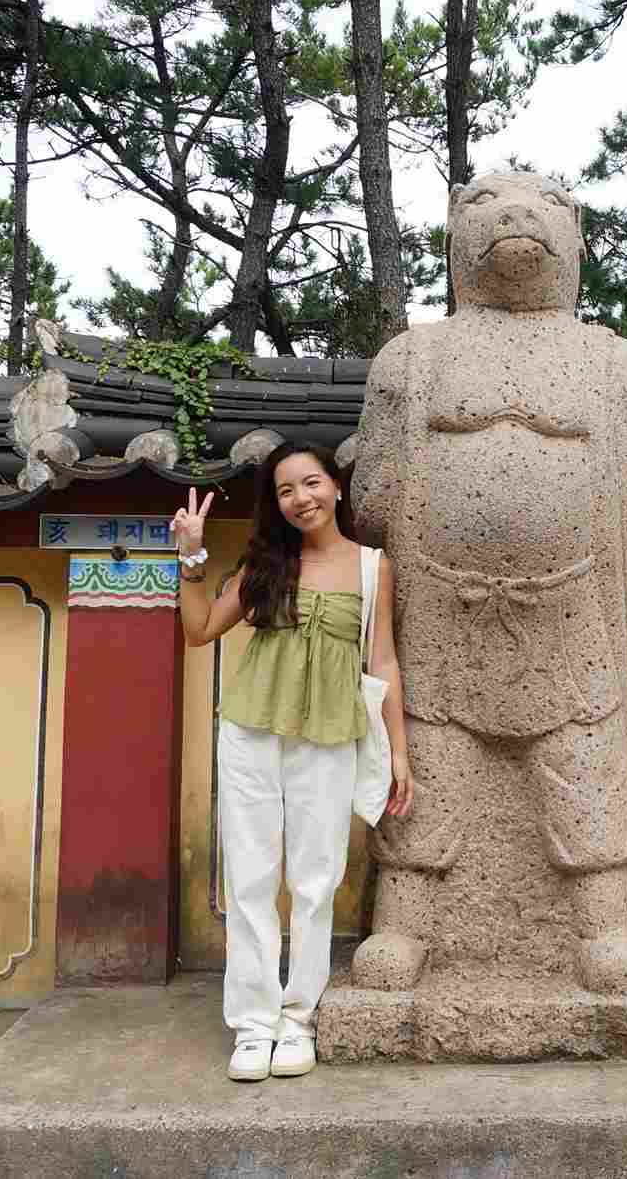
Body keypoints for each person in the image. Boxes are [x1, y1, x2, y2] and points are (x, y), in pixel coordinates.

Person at [172, 444, 412, 1082]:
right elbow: (199, 630)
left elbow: (382, 661)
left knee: (314, 882)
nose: (300, 498)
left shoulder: (371, 567)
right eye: (285, 490)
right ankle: (253, 1026)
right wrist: (190, 556)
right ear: (274, 504)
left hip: (329, 735)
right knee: (249, 880)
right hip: (252, 732)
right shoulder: (265, 563)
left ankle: (298, 1019)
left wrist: (400, 752)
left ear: (335, 488)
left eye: (311, 483)